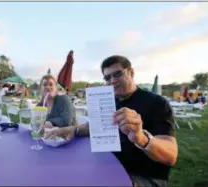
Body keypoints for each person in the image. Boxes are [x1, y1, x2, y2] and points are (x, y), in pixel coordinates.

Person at [45, 55, 178, 186]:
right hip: (108, 167)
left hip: (141, 176)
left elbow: (171, 156)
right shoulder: (110, 101)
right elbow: (95, 126)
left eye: (118, 74)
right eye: (108, 77)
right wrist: (74, 129)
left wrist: (141, 138)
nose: (112, 80)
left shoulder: (157, 103)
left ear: (131, 73)